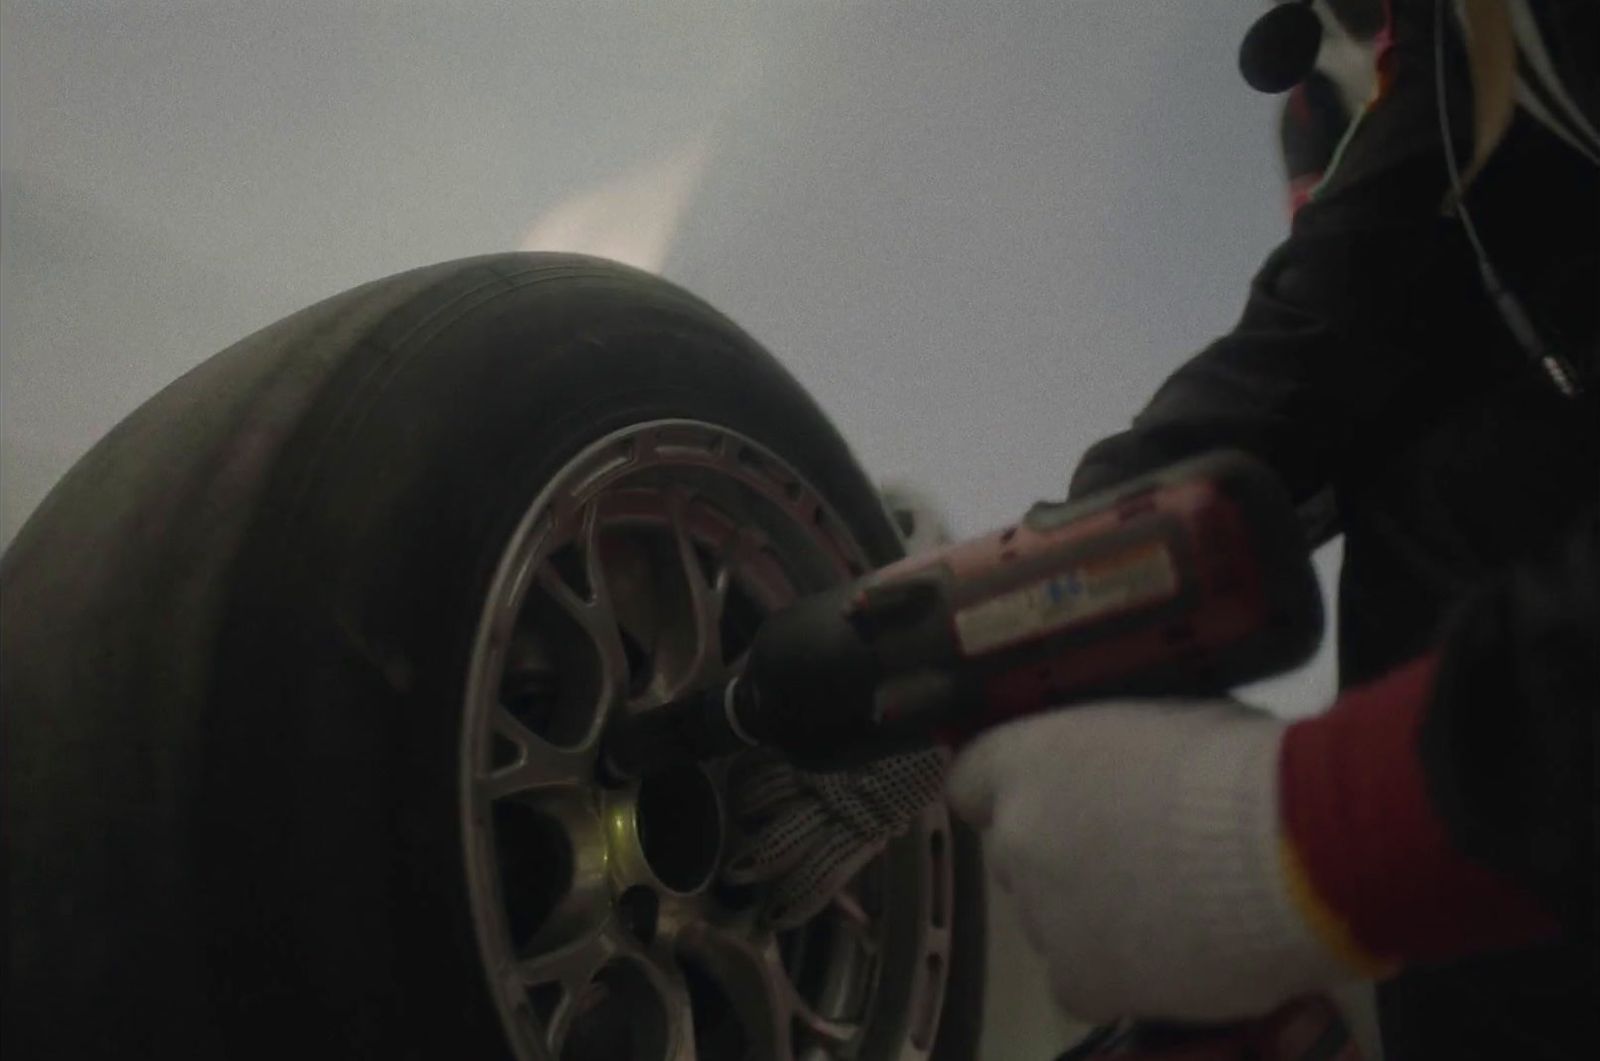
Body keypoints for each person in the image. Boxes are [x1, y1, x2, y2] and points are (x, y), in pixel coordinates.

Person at [724, 1, 1598, 1056]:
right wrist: (962, 652)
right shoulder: (1463, 79)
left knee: (1455, 483)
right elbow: (1315, 356)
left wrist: (1328, 825)